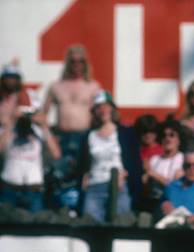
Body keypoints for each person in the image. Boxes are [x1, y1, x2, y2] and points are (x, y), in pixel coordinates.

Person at [42, 45, 101, 209]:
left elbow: (101, 114)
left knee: (83, 177)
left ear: (85, 63)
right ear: (68, 63)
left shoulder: (93, 86)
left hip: (84, 136)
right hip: (61, 138)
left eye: (80, 61)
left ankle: (81, 212)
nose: (77, 65)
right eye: (73, 61)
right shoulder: (56, 86)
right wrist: (49, 135)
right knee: (58, 178)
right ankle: (57, 211)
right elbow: (42, 115)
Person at [77, 91, 142, 223]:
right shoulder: (88, 136)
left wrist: (128, 176)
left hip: (119, 186)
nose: (103, 110)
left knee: (120, 225)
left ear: (112, 108)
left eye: (106, 106)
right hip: (95, 187)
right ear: (94, 111)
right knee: (90, 226)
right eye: (99, 107)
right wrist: (83, 177)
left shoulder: (126, 133)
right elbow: (82, 164)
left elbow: (135, 163)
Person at [0, 113, 61, 212]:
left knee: (34, 226)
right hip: (10, 190)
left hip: (33, 191)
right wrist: (11, 123)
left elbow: (56, 154)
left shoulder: (39, 132)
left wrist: (44, 126)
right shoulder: (7, 131)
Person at [143, 116, 186, 201]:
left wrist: (156, 176)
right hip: (153, 201)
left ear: (179, 139)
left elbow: (177, 189)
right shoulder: (154, 159)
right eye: (164, 135)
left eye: (172, 135)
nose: (167, 138)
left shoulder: (183, 159)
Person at [0, 64, 32, 131]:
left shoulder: (23, 94)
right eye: (8, 77)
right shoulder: (2, 95)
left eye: (13, 77)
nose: (10, 80)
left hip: (16, 132)